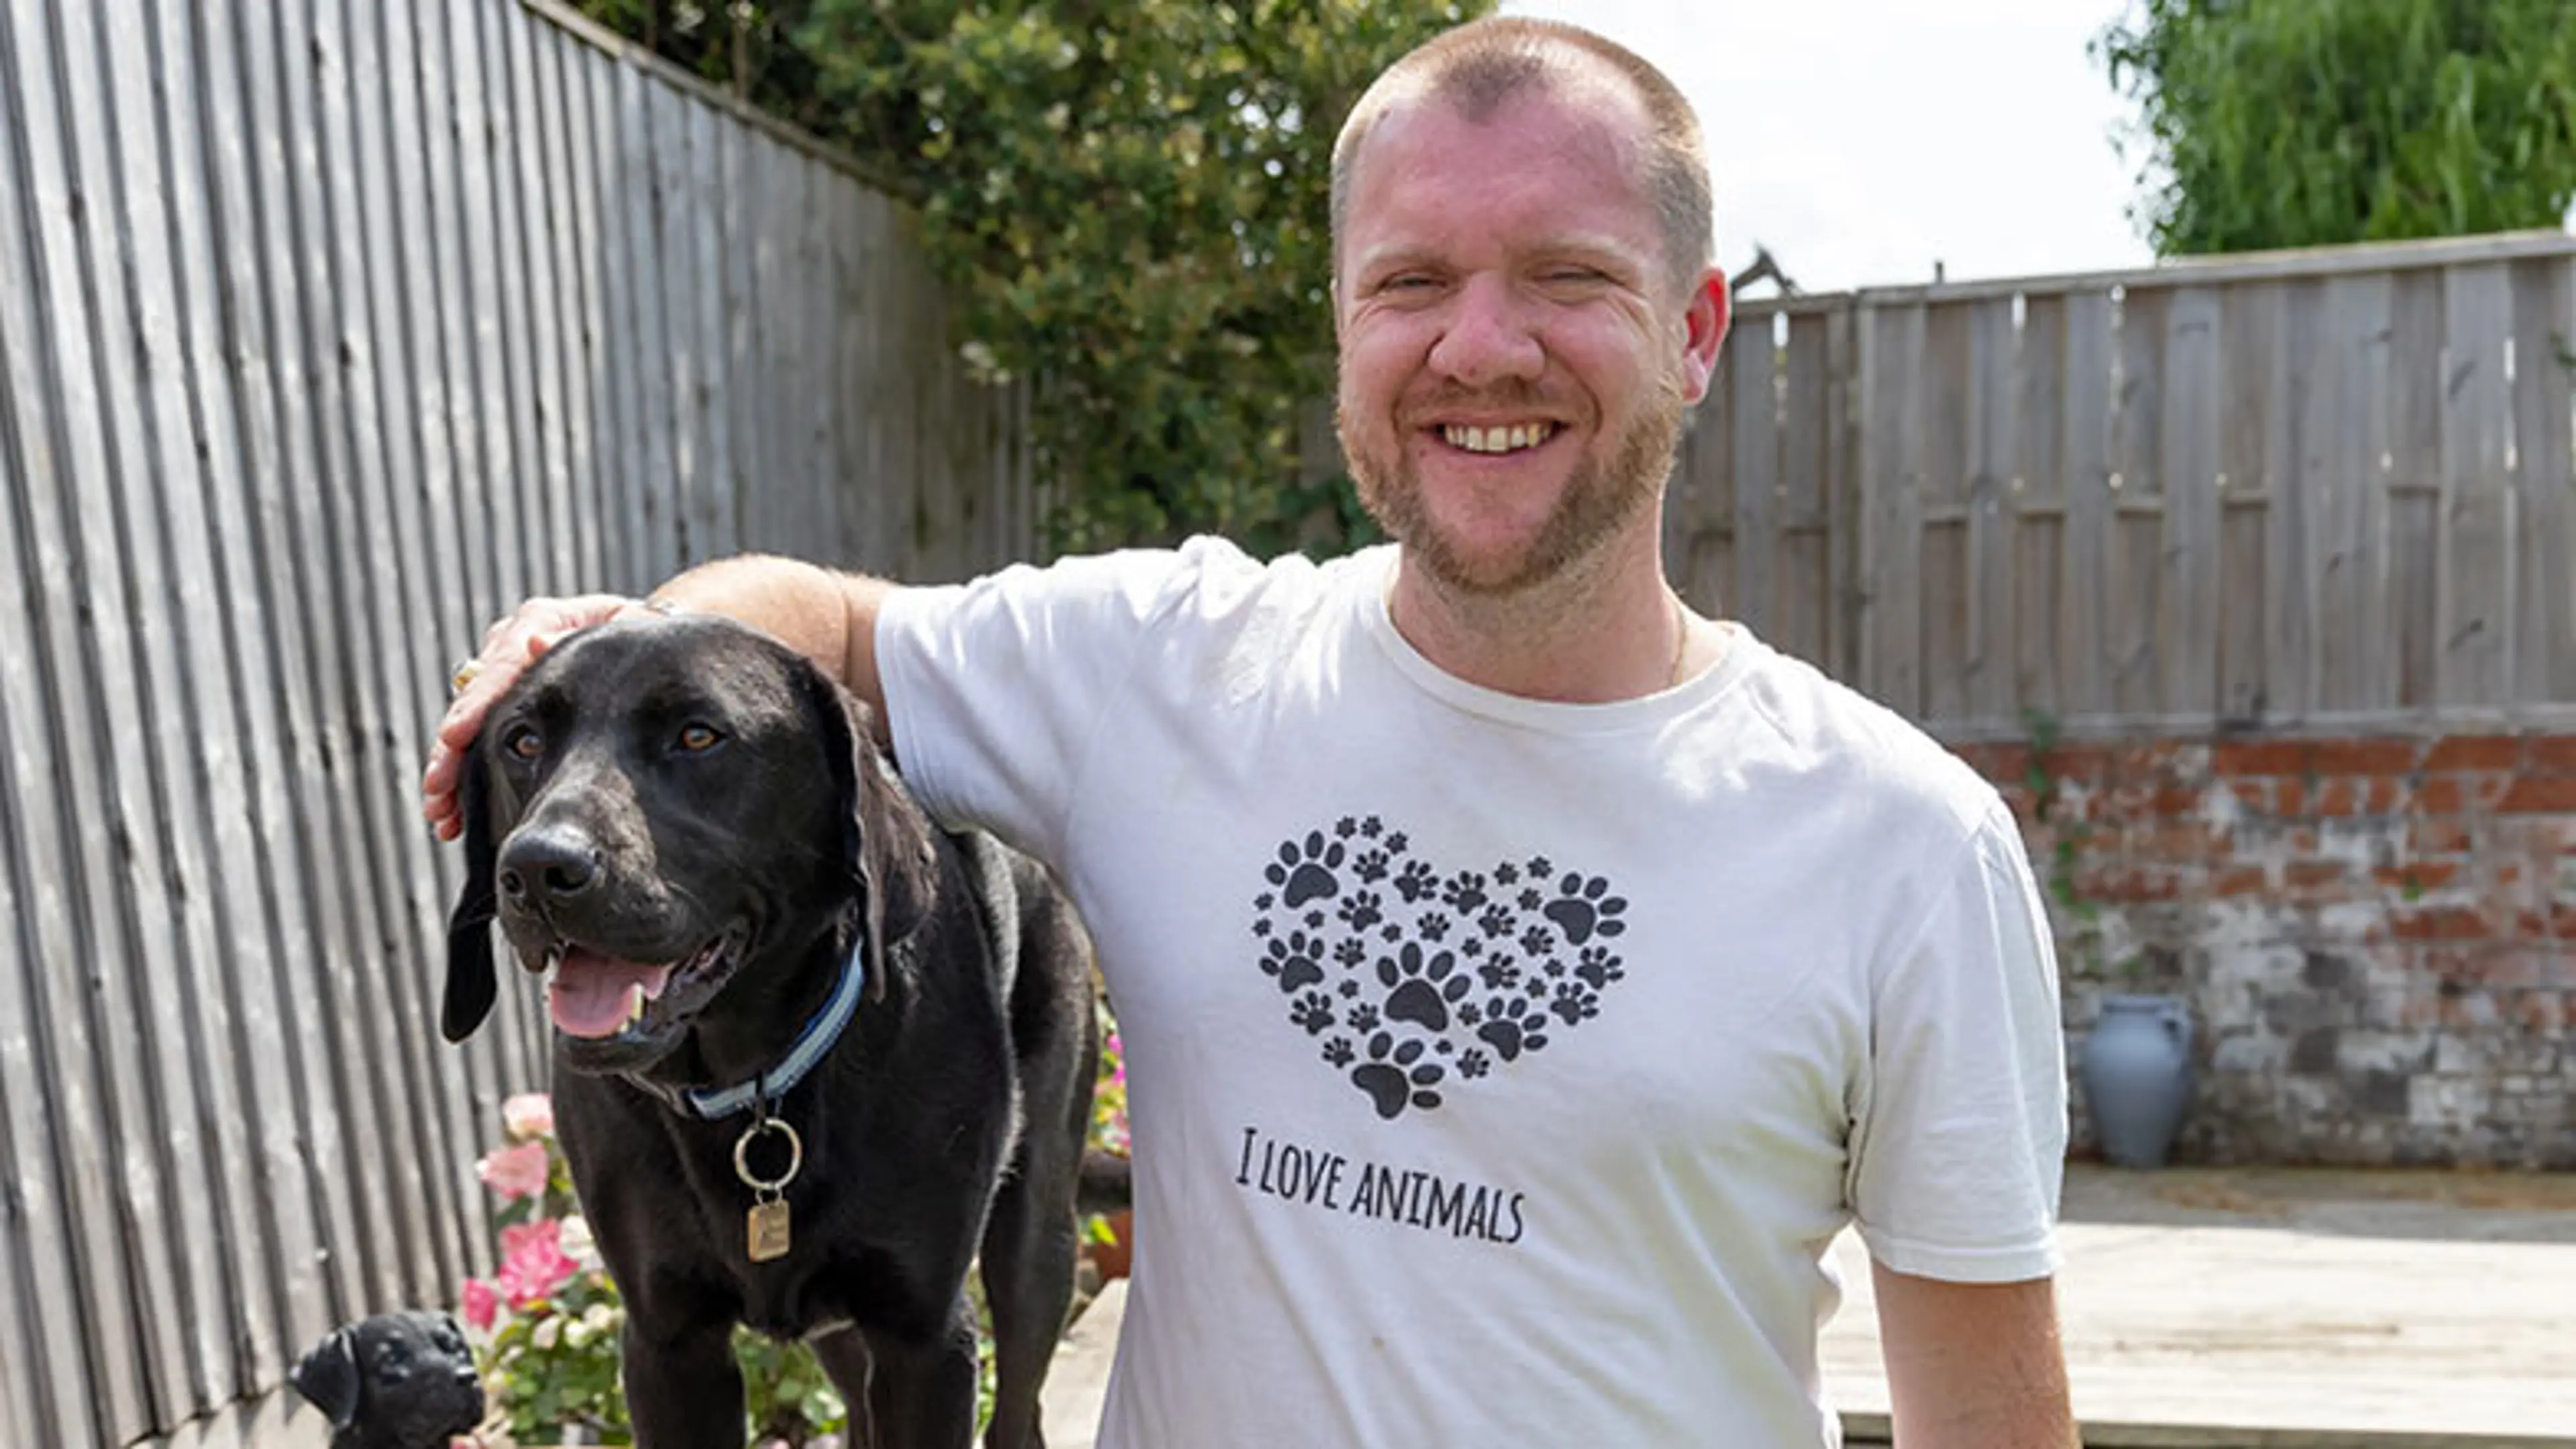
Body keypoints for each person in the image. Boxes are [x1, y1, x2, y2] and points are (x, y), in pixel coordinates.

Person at [424, 16, 2076, 1446]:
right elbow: (821, 624)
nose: (1479, 345)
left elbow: (1988, 1415)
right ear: (1345, 325)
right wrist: (617, 646)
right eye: (1411, 282)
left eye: (1569, 279)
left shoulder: (1904, 845)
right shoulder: (1162, 665)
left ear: (1698, 329)